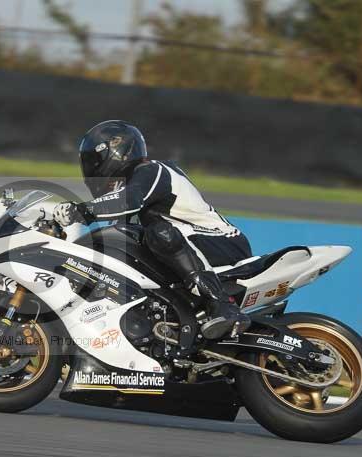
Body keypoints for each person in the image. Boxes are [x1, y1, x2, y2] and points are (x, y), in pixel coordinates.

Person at [53, 120, 253, 340]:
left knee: (160, 232)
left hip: (221, 242)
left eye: (94, 161)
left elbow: (131, 200)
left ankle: (222, 304)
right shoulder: (124, 194)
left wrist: (80, 210)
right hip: (188, 249)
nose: (91, 169)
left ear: (117, 151)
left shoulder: (153, 170)